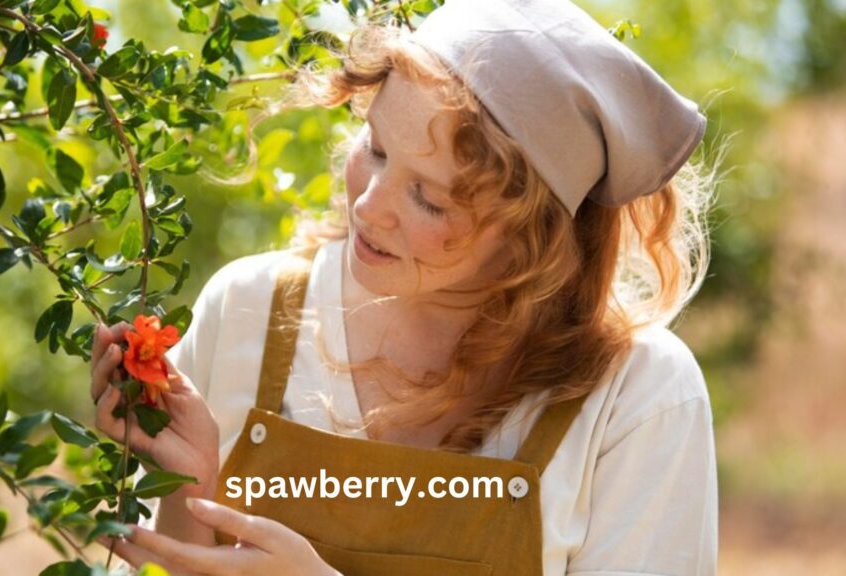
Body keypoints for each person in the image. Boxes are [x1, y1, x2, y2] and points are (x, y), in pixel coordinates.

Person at [89, 0, 720, 574]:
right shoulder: (248, 309)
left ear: (535, 244)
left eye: (430, 199)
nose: (368, 205)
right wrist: (189, 490)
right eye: (378, 147)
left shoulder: (638, 398)